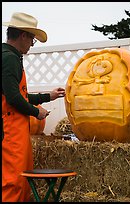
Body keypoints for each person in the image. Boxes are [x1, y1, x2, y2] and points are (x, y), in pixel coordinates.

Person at [2, 12, 65, 202]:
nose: (31, 44)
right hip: (10, 129)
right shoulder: (9, 59)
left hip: (15, 128)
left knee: (22, 178)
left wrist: (48, 96)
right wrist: (36, 111)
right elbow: (13, 98)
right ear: (23, 35)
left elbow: (18, 95)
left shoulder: (9, 56)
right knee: (13, 181)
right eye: (32, 40)